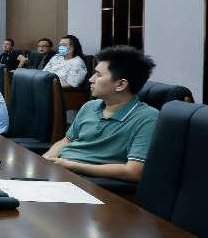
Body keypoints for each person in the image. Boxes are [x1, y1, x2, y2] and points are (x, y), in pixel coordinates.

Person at [43, 46, 158, 182]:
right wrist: (45, 160)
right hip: (61, 172)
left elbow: (133, 171)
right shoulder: (90, 106)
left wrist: (71, 166)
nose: (91, 79)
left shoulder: (147, 118)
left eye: (98, 75)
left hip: (89, 182)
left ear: (120, 85)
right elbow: (67, 141)